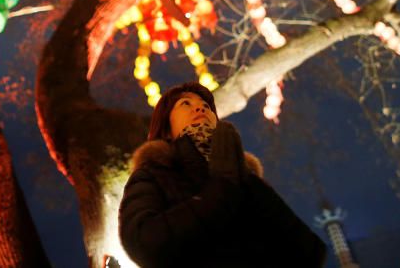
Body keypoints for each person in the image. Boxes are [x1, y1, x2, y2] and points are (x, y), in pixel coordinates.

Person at [118, 82, 327, 267]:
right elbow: (143, 243)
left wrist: (246, 179)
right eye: (185, 104)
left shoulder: (245, 177)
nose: (200, 107)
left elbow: (310, 253)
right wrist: (222, 187)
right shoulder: (154, 174)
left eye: (207, 106)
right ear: (166, 129)